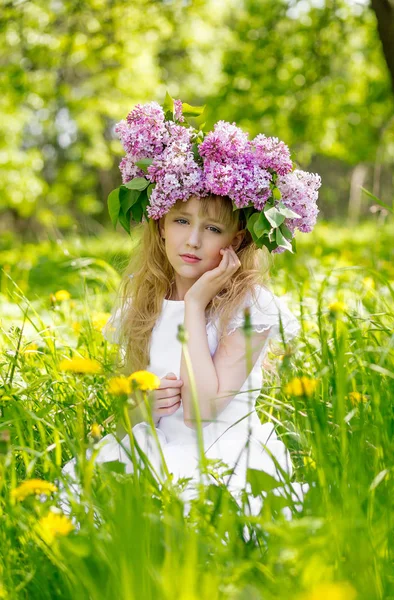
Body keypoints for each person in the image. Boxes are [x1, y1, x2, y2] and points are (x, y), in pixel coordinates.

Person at [61, 98, 320, 512]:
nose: (193, 240)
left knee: (196, 512)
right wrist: (140, 408)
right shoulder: (144, 303)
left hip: (223, 456)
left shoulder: (250, 309)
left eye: (212, 228)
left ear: (234, 241)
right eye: (181, 221)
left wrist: (196, 305)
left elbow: (201, 412)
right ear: (161, 225)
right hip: (155, 445)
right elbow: (128, 406)